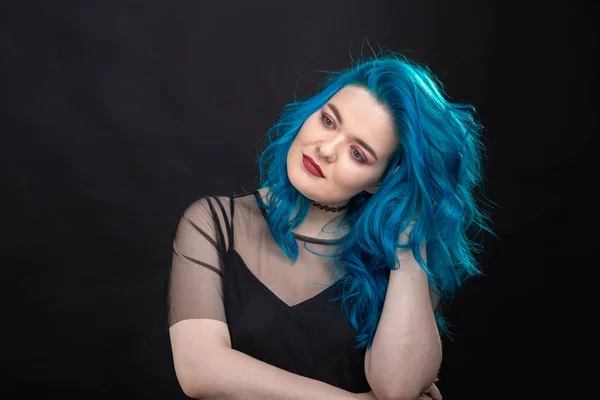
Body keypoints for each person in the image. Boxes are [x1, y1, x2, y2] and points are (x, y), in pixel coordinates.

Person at [166, 52, 490, 400]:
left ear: (380, 182)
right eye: (329, 121)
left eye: (358, 154)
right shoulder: (213, 223)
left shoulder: (398, 258)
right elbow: (199, 370)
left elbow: (398, 390)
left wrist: (408, 228)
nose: (326, 148)